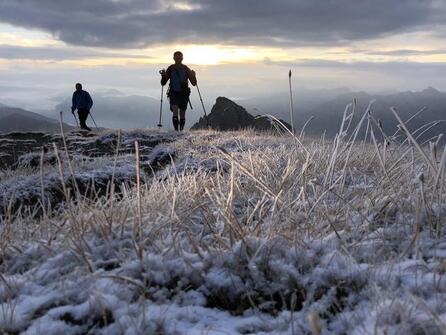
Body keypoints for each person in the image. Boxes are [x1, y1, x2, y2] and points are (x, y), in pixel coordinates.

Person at [160, 51, 197, 131]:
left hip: (180, 93)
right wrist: (194, 76)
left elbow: (163, 83)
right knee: (176, 110)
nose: (178, 59)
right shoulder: (183, 69)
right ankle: (178, 131)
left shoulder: (172, 68)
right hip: (177, 93)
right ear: (174, 58)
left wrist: (163, 76)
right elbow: (194, 83)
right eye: (177, 58)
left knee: (181, 113)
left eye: (179, 58)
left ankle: (179, 131)